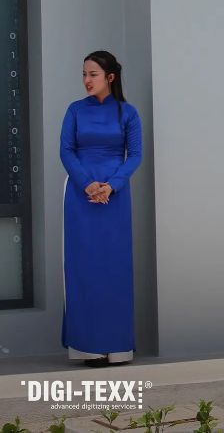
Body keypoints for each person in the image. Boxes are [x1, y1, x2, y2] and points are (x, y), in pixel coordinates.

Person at [60, 50, 142, 367]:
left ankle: (117, 346)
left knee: (115, 267)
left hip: (115, 196)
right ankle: (88, 347)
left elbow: (134, 155)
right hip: (81, 195)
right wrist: (88, 184)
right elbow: (66, 151)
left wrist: (111, 185)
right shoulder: (75, 110)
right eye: (84, 74)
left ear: (109, 77)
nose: (86, 80)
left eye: (92, 74)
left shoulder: (127, 113)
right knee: (84, 267)